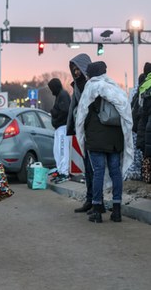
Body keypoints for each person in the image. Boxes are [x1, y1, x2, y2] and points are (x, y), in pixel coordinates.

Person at [75, 61, 133, 223]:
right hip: (115, 138)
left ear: (92, 74)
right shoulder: (115, 88)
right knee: (115, 171)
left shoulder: (91, 87)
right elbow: (126, 113)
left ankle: (97, 209)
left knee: (98, 171)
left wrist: (83, 134)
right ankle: (116, 210)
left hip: (96, 138)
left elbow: (81, 115)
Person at [66, 53, 95, 213]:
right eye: (74, 69)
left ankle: (98, 201)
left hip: (96, 132)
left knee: (96, 169)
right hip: (84, 132)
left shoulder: (93, 83)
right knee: (88, 169)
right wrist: (72, 126)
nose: (76, 72)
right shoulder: (77, 85)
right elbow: (74, 106)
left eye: (78, 69)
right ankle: (90, 199)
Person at [47, 78, 71, 184]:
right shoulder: (59, 95)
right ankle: (60, 170)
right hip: (59, 128)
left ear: (55, 87)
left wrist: (56, 119)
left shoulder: (63, 95)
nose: (51, 91)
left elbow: (65, 111)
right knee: (57, 151)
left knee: (62, 151)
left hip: (63, 127)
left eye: (51, 89)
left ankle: (64, 173)